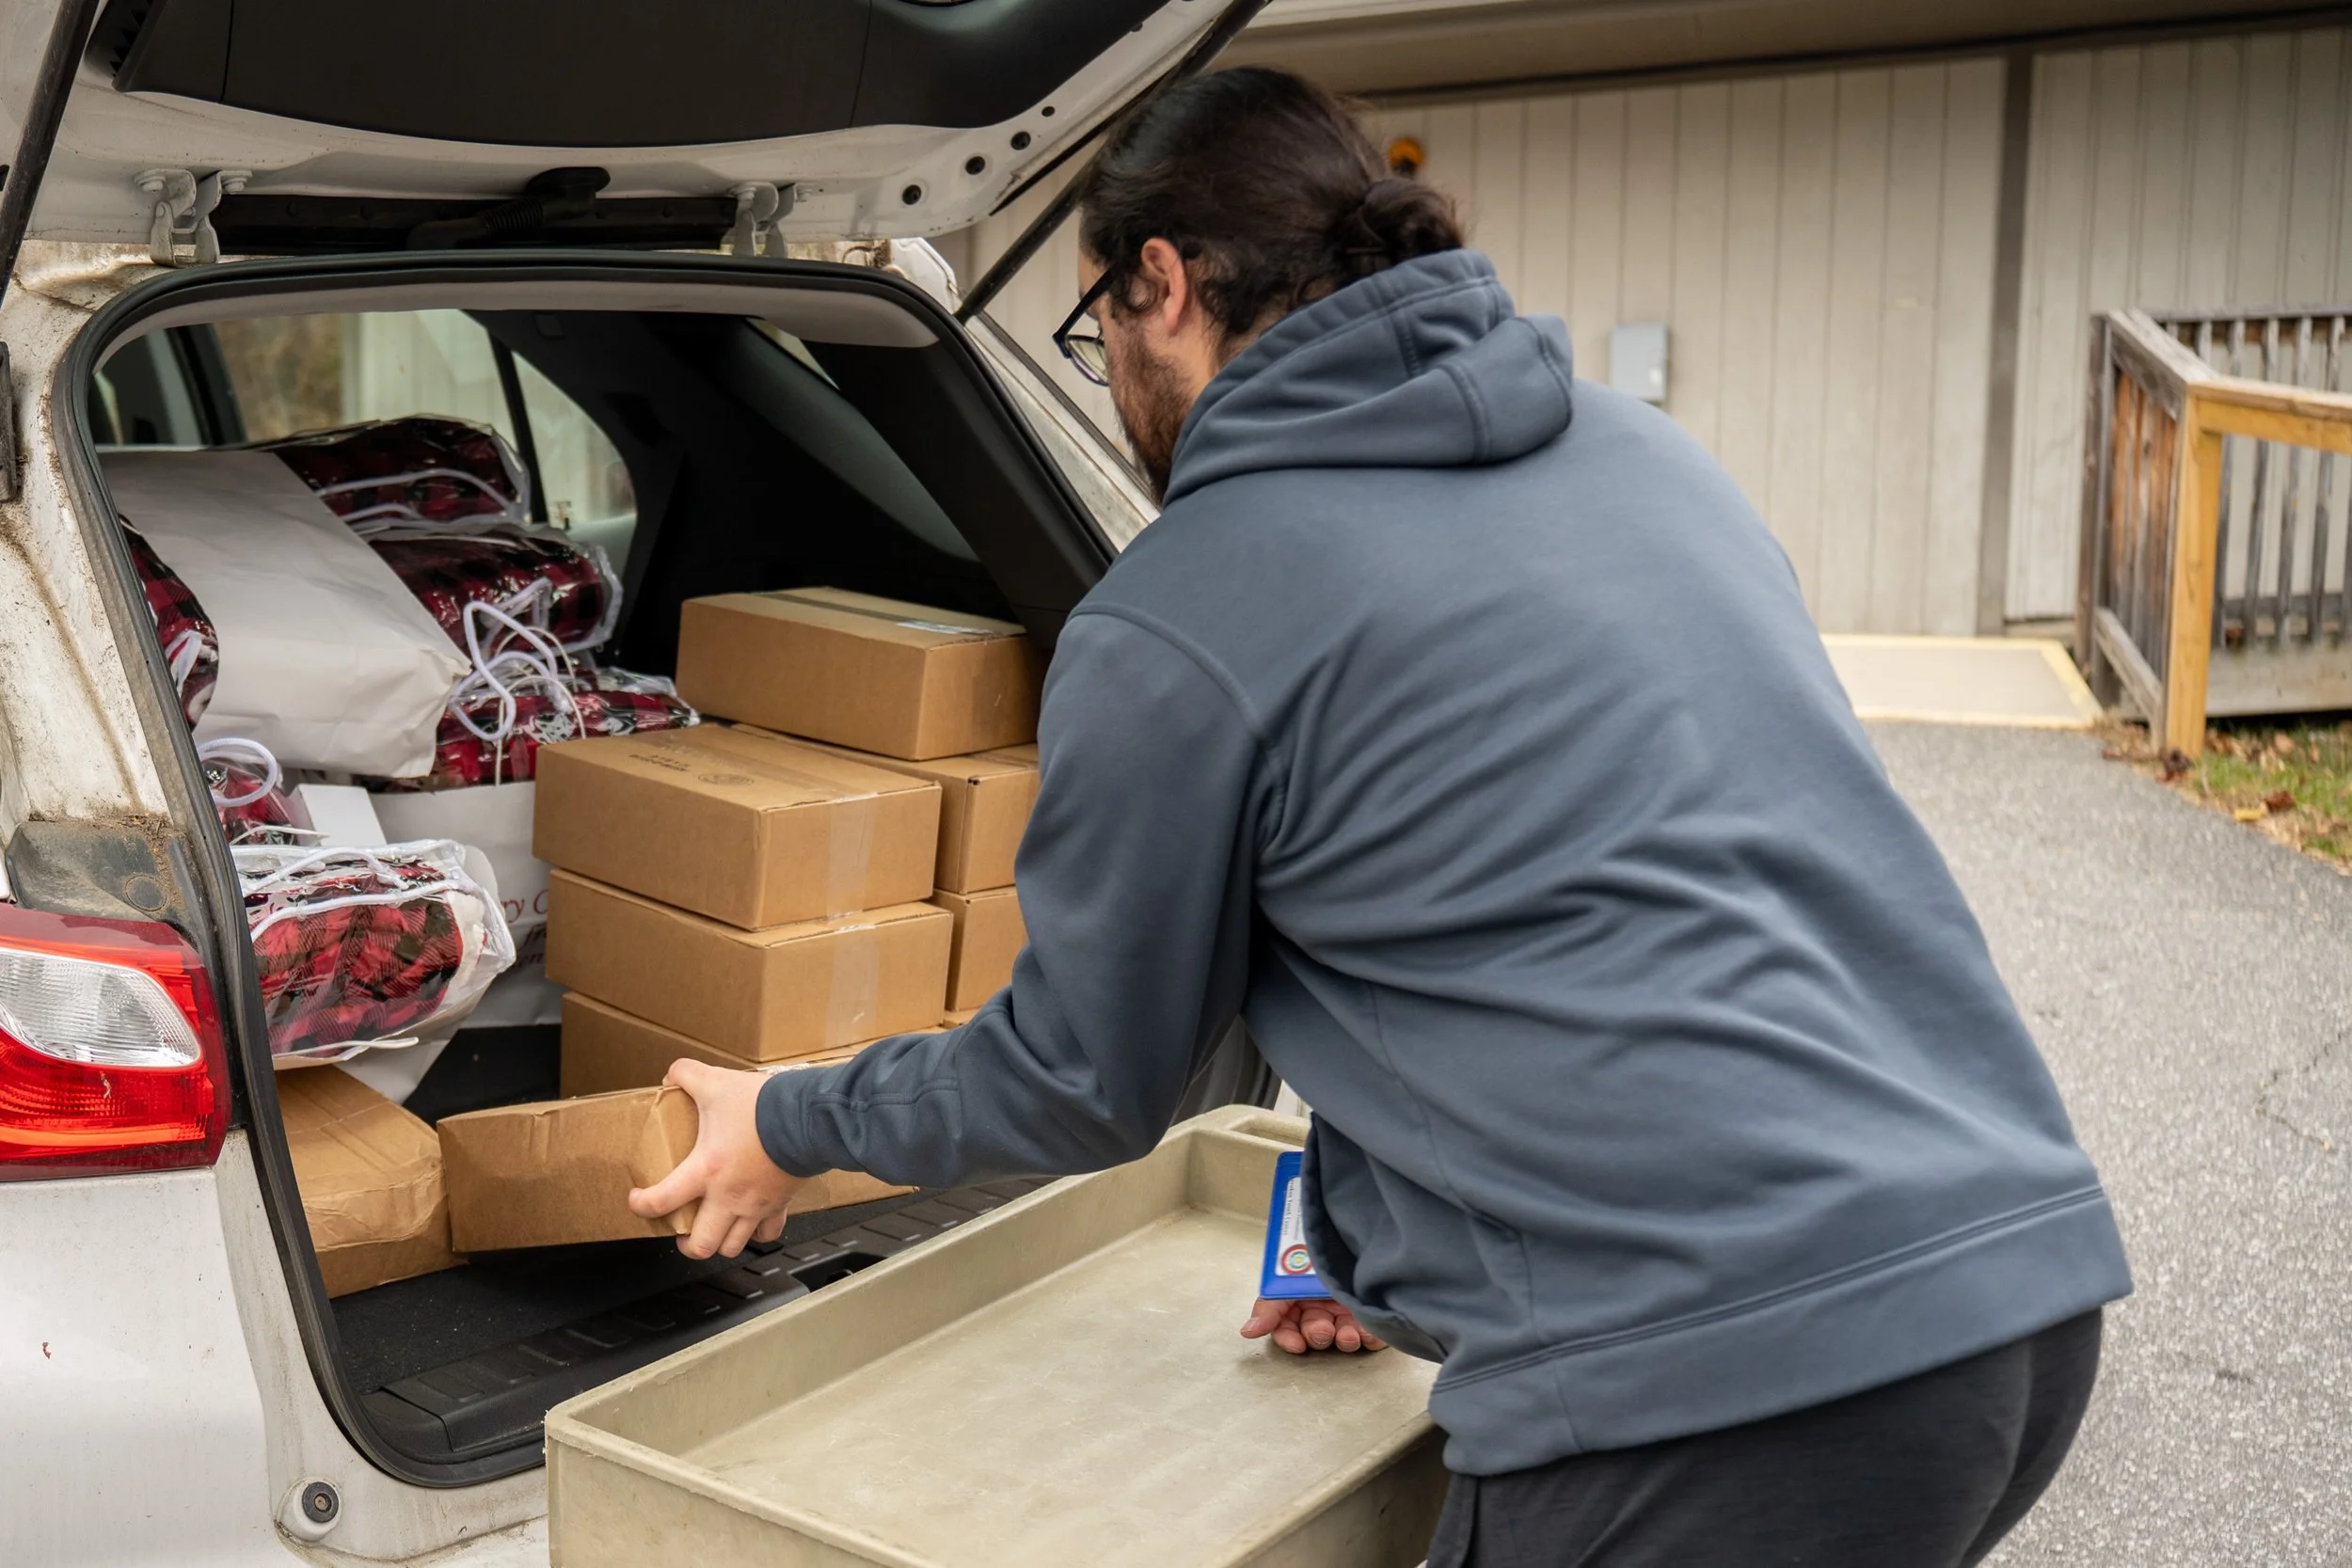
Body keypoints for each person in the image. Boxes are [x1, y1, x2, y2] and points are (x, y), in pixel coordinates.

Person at [629, 66, 2131, 1567]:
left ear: (1164, 283)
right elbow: (1521, 917)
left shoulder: (1189, 606)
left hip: (1716, 1389)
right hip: (2010, 1300)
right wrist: (1359, 1246)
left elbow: (1081, 1075)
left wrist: (788, 1122)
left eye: (1096, 330)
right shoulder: (1652, 462)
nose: (1115, 383)